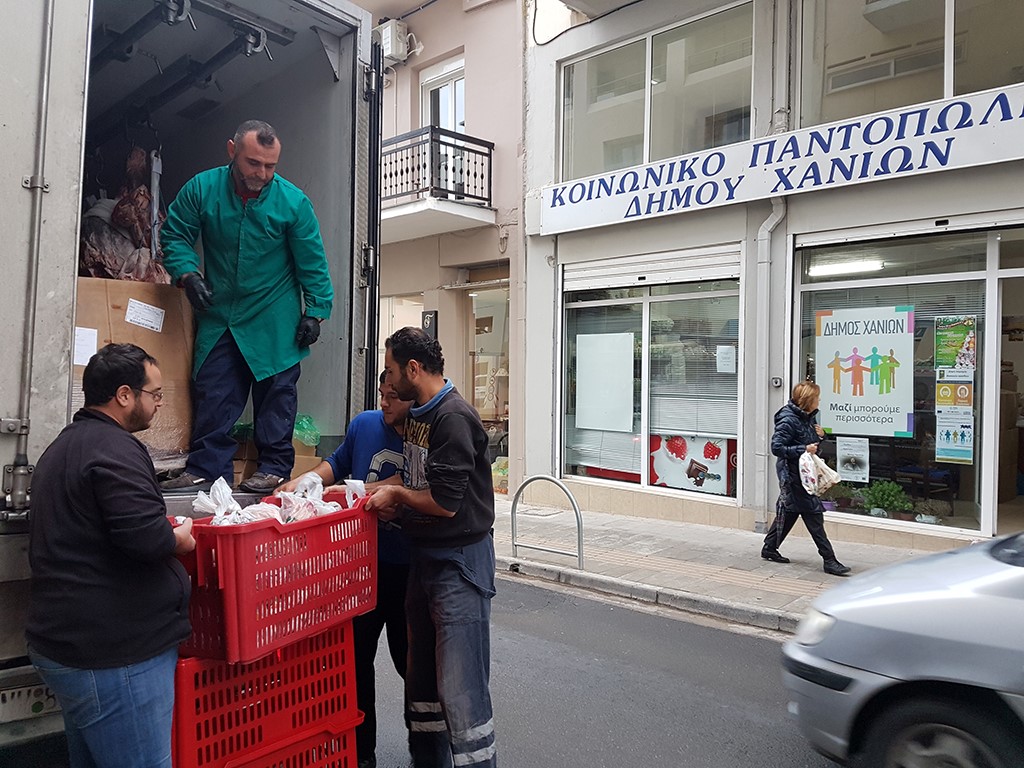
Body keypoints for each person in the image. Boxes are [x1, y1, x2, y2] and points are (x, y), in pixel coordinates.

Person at [26, 343, 196, 768]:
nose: (158, 404)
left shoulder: (62, 446)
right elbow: (145, 538)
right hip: (115, 658)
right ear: (124, 395)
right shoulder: (114, 449)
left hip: (71, 646)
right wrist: (180, 539)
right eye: (154, 394)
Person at [159, 119, 334, 495]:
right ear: (231, 151)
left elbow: (312, 261)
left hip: (276, 316)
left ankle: (273, 468)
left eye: (271, 166)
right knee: (214, 394)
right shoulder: (202, 189)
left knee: (277, 398)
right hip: (221, 314)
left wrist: (315, 311)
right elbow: (174, 234)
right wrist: (188, 274)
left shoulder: (292, 203)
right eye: (254, 163)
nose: (262, 173)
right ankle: (207, 469)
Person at [366, 327, 496, 768]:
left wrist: (398, 497)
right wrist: (387, 490)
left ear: (413, 369)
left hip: (460, 565)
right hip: (425, 560)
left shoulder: (453, 417)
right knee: (422, 686)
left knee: (461, 692)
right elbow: (418, 478)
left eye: (391, 371)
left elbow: (443, 501)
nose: (387, 383)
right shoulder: (420, 414)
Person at [276, 372, 412, 768]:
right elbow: (335, 464)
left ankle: (428, 749)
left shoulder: (424, 433)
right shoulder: (364, 424)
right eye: (382, 394)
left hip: (409, 571)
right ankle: (360, 753)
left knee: (412, 666)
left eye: (394, 396)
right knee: (354, 665)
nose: (385, 402)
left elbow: (407, 482)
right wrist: (306, 481)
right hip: (358, 569)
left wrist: (348, 491)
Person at [761, 379, 851, 576]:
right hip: (793, 475)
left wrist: (820, 436)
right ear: (808, 400)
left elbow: (812, 443)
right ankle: (829, 560)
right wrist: (803, 448)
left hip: (803, 473)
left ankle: (769, 547)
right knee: (813, 515)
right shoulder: (788, 419)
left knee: (790, 512)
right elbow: (777, 448)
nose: (819, 401)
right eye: (817, 398)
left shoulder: (808, 417)